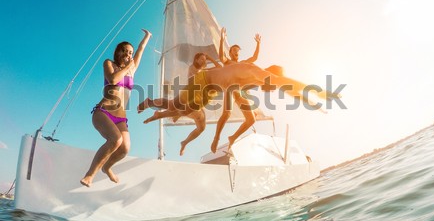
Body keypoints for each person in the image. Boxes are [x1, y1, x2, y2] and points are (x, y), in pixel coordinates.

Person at [140, 62, 340, 149]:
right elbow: (290, 83)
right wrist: (323, 92)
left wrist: (311, 102)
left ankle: (157, 107)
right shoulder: (256, 72)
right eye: (272, 85)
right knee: (180, 105)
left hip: (210, 89)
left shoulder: (253, 81)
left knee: (185, 109)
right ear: (270, 74)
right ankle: (151, 102)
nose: (269, 90)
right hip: (203, 80)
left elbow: (288, 89)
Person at [80, 29, 152, 187]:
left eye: (130, 52)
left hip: (121, 117)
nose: (128, 54)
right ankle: (90, 175)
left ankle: (107, 167)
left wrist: (147, 37)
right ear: (118, 52)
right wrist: (126, 67)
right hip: (103, 112)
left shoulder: (132, 70)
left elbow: (140, 50)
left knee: (125, 148)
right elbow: (113, 79)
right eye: (125, 51)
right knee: (116, 139)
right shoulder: (109, 63)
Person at [137, 52, 221, 155]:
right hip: (188, 97)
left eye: (205, 59)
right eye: (202, 59)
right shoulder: (195, 69)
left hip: (194, 99)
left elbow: (219, 67)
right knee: (173, 107)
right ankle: (152, 106)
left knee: (201, 127)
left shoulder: (203, 71)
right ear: (196, 60)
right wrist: (209, 60)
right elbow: (217, 69)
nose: (204, 61)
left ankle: (184, 142)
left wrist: (210, 58)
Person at [211, 27, 261, 153]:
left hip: (239, 93)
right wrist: (222, 40)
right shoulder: (227, 62)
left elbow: (254, 58)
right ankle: (216, 137)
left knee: (251, 120)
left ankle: (232, 137)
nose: (236, 52)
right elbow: (220, 56)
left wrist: (258, 44)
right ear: (230, 53)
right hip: (230, 89)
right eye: (234, 50)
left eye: (238, 50)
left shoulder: (242, 63)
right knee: (227, 113)